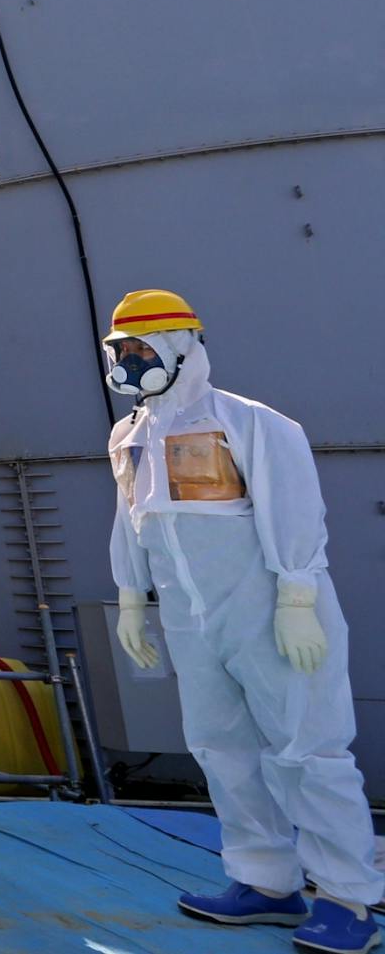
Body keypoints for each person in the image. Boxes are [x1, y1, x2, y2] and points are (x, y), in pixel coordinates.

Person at [101, 290, 381, 953]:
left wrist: (295, 597)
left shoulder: (253, 423)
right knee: (222, 749)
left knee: (307, 749)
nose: (128, 362)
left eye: (140, 349)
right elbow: (131, 520)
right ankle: (266, 881)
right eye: (120, 351)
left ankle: (347, 899)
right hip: (191, 621)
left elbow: (293, 508)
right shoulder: (131, 434)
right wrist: (134, 598)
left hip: (269, 613)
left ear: (180, 345)